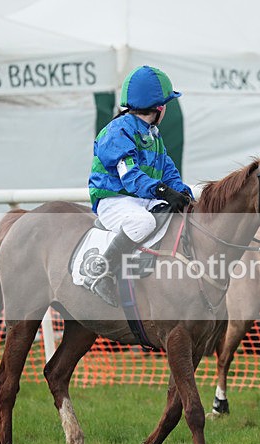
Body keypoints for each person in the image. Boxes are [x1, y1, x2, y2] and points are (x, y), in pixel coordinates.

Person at [87, 65, 194, 307]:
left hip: (141, 198)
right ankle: (103, 273)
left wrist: (183, 194)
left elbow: (168, 171)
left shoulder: (153, 134)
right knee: (143, 222)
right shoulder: (117, 131)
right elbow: (131, 177)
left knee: (177, 214)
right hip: (114, 199)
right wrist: (163, 192)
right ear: (159, 108)